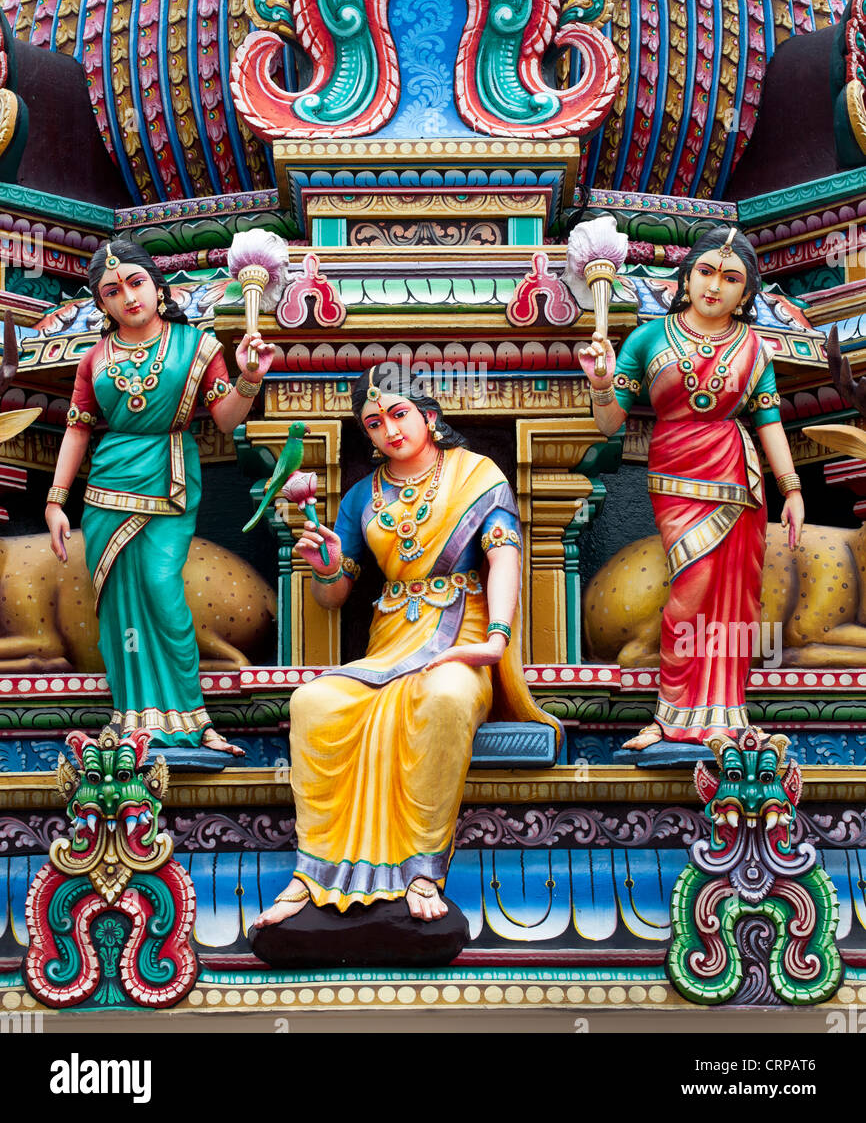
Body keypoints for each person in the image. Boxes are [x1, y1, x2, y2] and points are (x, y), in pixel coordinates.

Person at [253, 363, 559, 925]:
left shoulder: (476, 474)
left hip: (461, 638)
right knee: (312, 703)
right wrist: (325, 569)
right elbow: (335, 596)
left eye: (399, 415)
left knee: (443, 698)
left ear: (430, 418)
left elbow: (505, 556)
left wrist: (495, 642)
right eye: (373, 423)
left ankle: (421, 871)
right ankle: (314, 869)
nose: (389, 431)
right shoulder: (360, 497)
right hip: (389, 643)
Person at [578, 226, 805, 750]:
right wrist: (601, 383)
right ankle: (673, 714)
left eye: (730, 278)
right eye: (705, 271)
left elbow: (769, 420)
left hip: (735, 471)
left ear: (745, 294)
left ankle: (724, 712)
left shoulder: (754, 348)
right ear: (686, 278)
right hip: (675, 469)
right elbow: (611, 425)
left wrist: (791, 488)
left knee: (736, 597)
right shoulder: (647, 338)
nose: (714, 286)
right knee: (693, 587)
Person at [45, 238, 276, 752]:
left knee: (161, 588)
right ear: (101, 303)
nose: (127, 297)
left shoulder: (197, 346)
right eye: (112, 291)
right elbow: (78, 429)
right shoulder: (94, 359)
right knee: (117, 606)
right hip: (107, 487)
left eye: (135, 282)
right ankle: (133, 718)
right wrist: (56, 500)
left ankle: (192, 720)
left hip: (169, 478)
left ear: (156, 285)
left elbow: (225, 417)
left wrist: (249, 379)